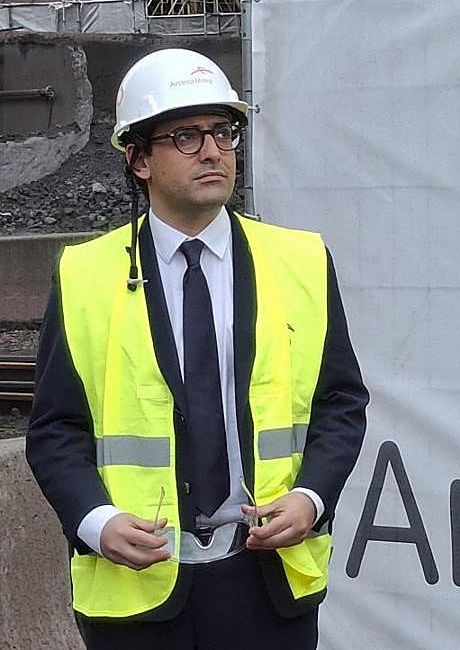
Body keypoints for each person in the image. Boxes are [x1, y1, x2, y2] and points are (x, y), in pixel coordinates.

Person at [25, 48, 370, 650]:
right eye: (185, 136)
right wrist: (96, 522)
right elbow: (56, 429)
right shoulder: (85, 274)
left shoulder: (300, 261)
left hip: (265, 581)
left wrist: (311, 498)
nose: (213, 151)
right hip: (138, 592)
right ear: (137, 160)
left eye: (223, 132)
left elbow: (339, 403)